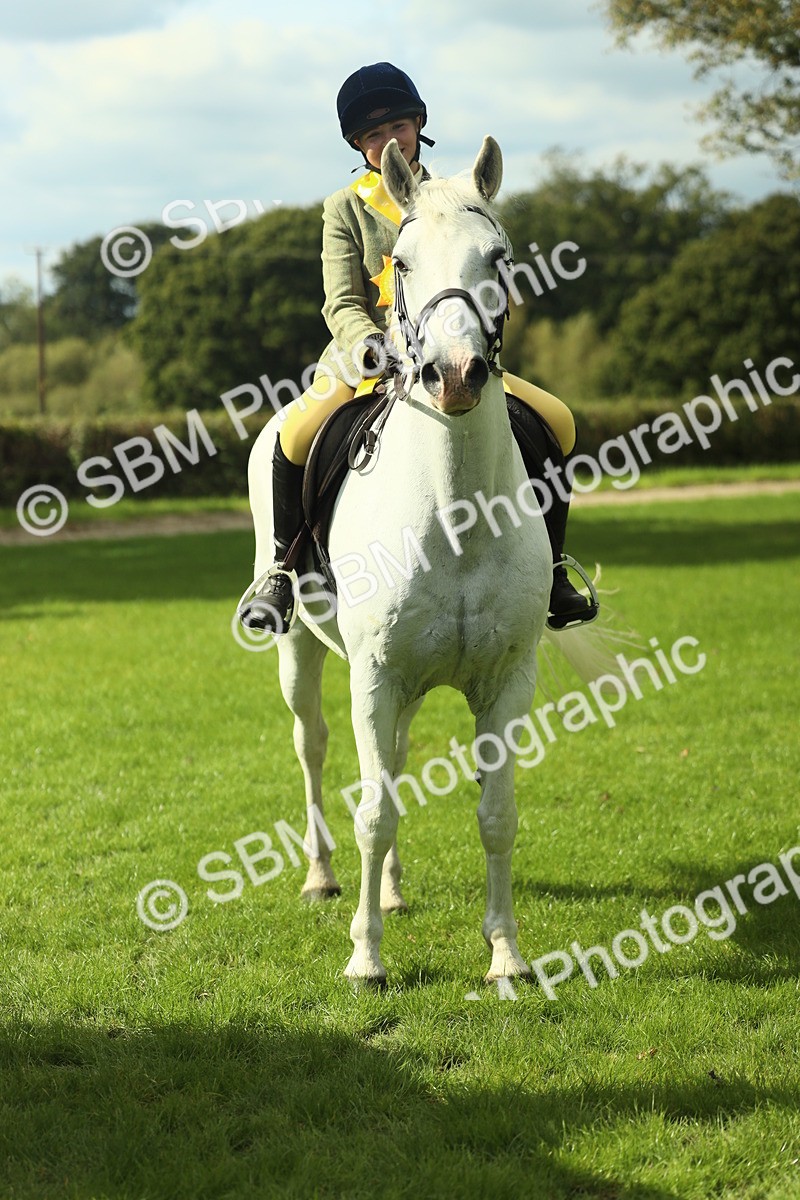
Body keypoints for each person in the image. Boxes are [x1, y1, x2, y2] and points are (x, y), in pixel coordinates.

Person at [240, 62, 597, 633]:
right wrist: (369, 348)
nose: (389, 142)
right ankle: (281, 571)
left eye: (398, 129)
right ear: (359, 145)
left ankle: (551, 568)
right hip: (368, 364)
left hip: (451, 352)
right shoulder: (345, 208)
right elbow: (340, 303)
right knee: (292, 436)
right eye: (374, 136)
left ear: (419, 126)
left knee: (558, 421)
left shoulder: (457, 198)